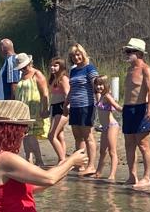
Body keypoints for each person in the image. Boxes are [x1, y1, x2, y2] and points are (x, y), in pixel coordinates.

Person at [121, 37, 150, 190]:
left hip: (141, 108)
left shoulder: (145, 69)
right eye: (127, 51)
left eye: (130, 51)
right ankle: (132, 175)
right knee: (129, 144)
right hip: (128, 109)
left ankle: (147, 177)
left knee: (143, 145)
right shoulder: (129, 70)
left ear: (139, 53)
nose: (127, 54)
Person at [65, 44, 99, 177]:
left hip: (87, 105)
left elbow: (96, 86)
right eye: (73, 56)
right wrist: (66, 104)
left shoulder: (89, 68)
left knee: (88, 136)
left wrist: (99, 101)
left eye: (78, 54)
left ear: (83, 54)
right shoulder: (73, 71)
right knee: (77, 136)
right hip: (74, 106)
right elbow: (71, 89)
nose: (76, 57)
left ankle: (91, 165)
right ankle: (80, 164)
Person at [13, 53, 48, 167]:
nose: (23, 69)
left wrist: (44, 108)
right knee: (24, 134)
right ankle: (28, 159)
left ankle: (39, 160)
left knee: (31, 135)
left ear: (29, 63)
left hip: (34, 108)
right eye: (21, 67)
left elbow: (45, 93)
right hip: (22, 109)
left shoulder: (37, 74)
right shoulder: (22, 75)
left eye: (24, 66)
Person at [92, 76, 121, 180]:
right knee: (102, 151)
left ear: (105, 85)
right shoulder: (99, 96)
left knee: (112, 151)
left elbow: (117, 107)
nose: (99, 87)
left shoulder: (107, 96)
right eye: (97, 85)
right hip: (104, 127)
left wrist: (129, 110)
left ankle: (112, 175)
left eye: (101, 84)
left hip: (112, 126)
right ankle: (98, 172)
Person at [46, 57, 70, 163]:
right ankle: (62, 159)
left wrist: (67, 109)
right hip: (54, 107)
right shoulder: (53, 79)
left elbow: (67, 94)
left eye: (55, 65)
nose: (52, 67)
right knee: (60, 135)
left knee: (51, 135)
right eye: (51, 65)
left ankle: (62, 159)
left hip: (62, 107)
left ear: (61, 66)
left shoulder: (63, 78)